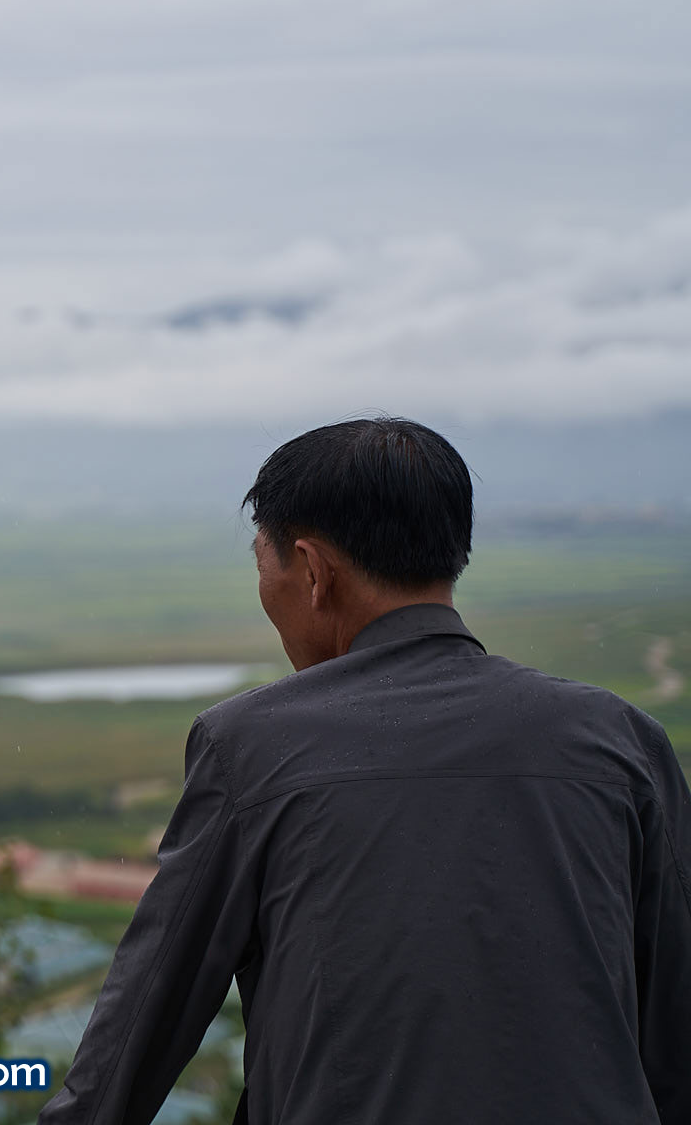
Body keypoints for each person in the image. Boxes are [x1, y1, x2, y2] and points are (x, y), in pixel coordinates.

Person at [38, 418, 691, 1125]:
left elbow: (143, 1028)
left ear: (313, 571)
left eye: (266, 568)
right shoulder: (624, 743)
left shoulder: (252, 747)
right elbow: (676, 1035)